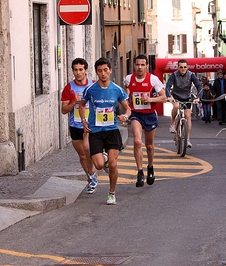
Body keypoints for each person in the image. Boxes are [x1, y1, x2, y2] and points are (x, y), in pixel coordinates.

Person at [79, 57, 131, 205]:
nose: (103, 74)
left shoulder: (117, 89)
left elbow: (128, 108)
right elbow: (81, 105)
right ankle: (105, 160)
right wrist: (83, 121)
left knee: (113, 165)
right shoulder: (90, 89)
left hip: (112, 130)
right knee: (99, 165)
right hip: (96, 131)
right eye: (100, 71)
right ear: (96, 73)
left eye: (105, 70)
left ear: (110, 71)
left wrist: (125, 116)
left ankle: (111, 193)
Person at [124, 54, 166, 187]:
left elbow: (164, 98)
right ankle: (140, 171)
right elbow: (126, 88)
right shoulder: (128, 78)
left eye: (142, 65)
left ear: (147, 66)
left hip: (149, 115)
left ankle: (151, 167)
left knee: (149, 145)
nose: (140, 67)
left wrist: (150, 100)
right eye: (137, 64)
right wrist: (128, 96)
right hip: (136, 113)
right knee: (137, 141)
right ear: (134, 65)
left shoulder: (153, 80)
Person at [61, 58, 98, 194]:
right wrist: (74, 102)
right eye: (75, 70)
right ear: (72, 71)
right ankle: (90, 175)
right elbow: (64, 110)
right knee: (83, 156)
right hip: (75, 125)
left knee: (89, 150)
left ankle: (95, 169)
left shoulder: (94, 85)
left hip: (91, 124)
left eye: (81, 69)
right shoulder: (69, 88)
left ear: (86, 70)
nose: (78, 73)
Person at [165, 59, 202, 148]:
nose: (183, 69)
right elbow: (168, 86)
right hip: (176, 96)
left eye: (185, 67)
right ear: (178, 67)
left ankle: (188, 139)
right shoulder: (174, 75)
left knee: (188, 116)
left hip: (187, 97)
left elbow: (199, 86)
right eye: (181, 67)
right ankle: (173, 123)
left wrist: (198, 97)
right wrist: (169, 96)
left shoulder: (191, 75)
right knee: (176, 106)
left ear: (187, 67)